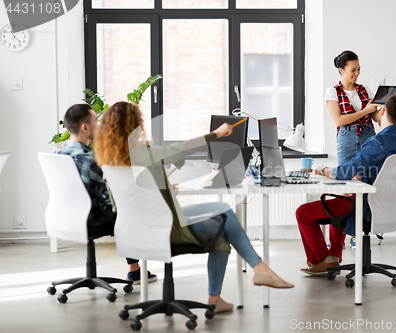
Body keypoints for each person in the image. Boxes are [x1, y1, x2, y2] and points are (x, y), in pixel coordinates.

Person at [93, 101, 293, 314]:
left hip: (136, 231)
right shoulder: (143, 154)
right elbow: (181, 148)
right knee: (223, 224)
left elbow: (124, 202)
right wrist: (216, 134)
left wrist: (163, 190)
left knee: (222, 210)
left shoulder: (109, 161)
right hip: (165, 228)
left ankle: (246, 278)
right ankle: (253, 272)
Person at [297, 95, 396, 275]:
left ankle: (320, 261)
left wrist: (325, 170)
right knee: (344, 200)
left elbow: (346, 172)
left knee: (303, 212)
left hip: (364, 207)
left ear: (384, 111)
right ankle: (332, 257)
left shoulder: (377, 143)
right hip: (388, 207)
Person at [55, 104, 157, 285]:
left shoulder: (57, 154)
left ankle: (134, 270)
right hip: (92, 219)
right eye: (96, 122)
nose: (100, 126)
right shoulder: (92, 160)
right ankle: (135, 271)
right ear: (85, 128)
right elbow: (110, 196)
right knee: (129, 214)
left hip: (64, 217)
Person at [323, 50, 381, 249]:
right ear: (341, 70)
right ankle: (339, 239)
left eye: (359, 70)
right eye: (353, 70)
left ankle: (357, 232)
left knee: (365, 184)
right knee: (346, 186)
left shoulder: (365, 90)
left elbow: (375, 118)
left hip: (367, 135)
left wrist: (386, 105)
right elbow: (339, 120)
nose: (357, 74)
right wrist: (365, 111)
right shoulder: (333, 92)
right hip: (346, 138)